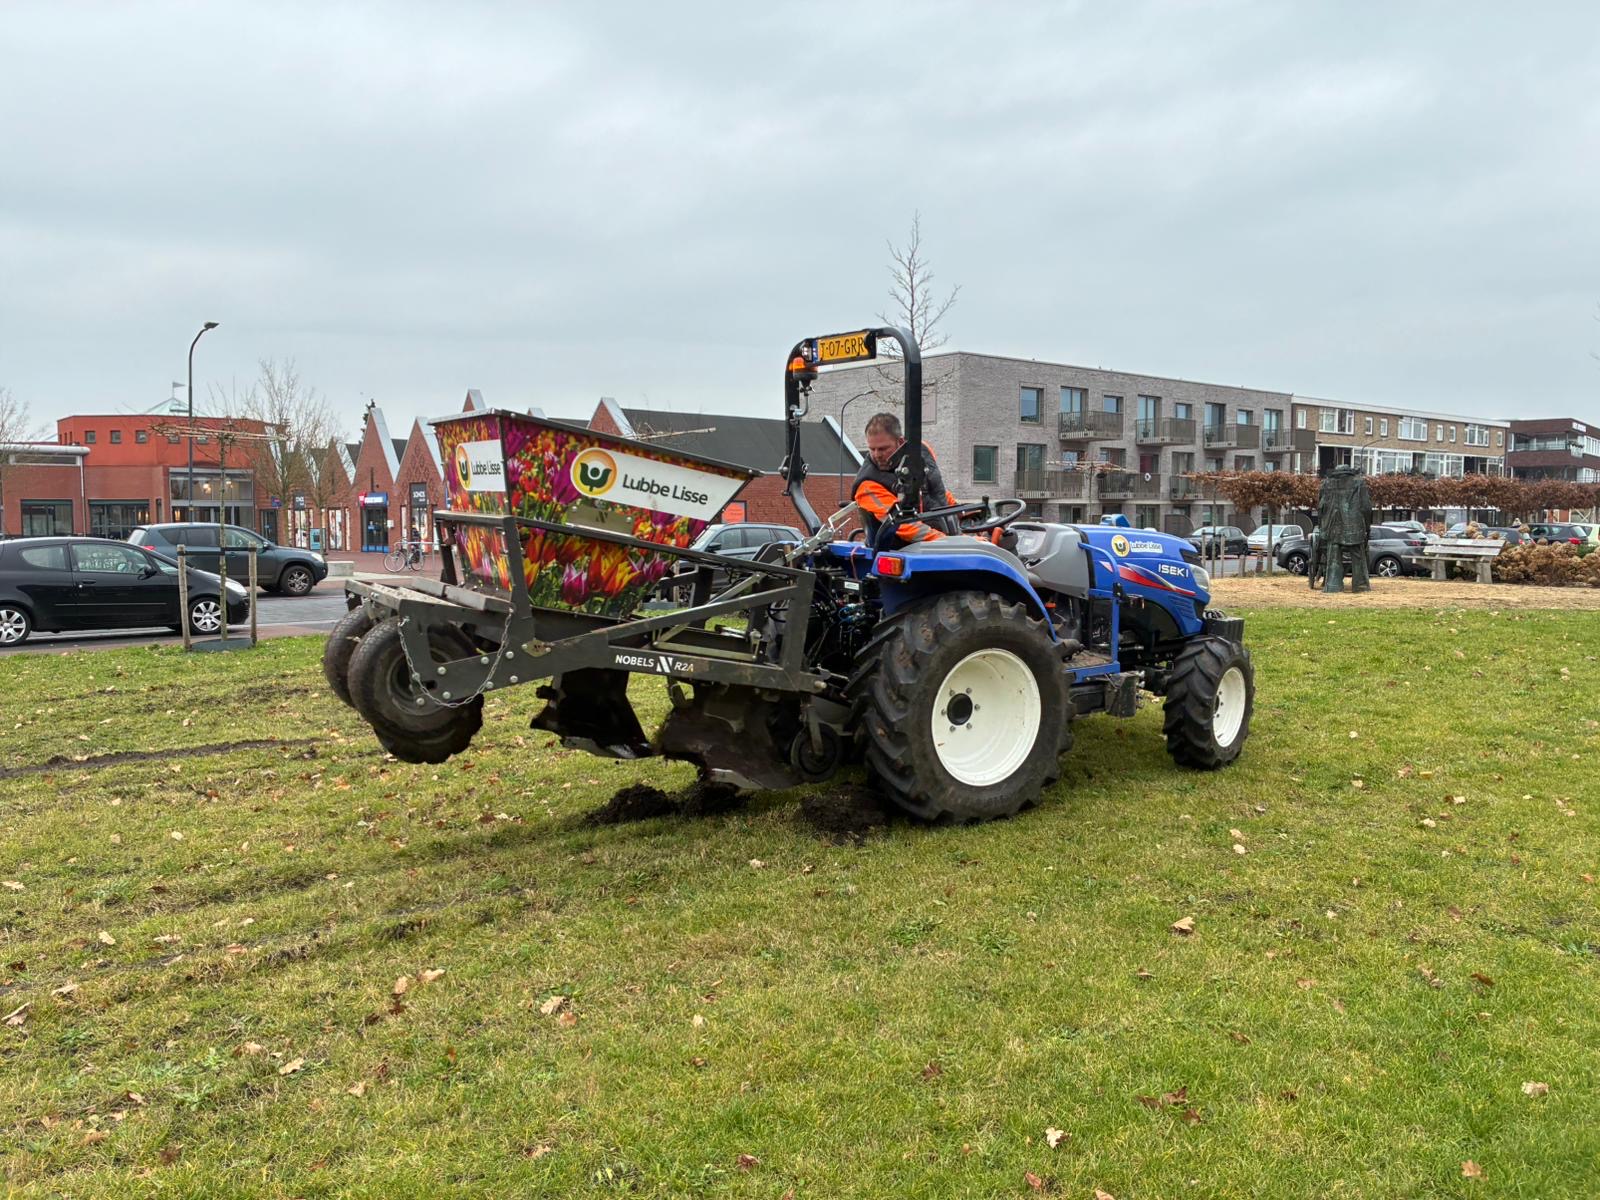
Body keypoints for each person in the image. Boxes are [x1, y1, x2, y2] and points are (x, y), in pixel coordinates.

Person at [852, 412, 958, 549]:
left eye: (883, 449)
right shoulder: (867, 485)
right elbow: (904, 525)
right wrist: (951, 543)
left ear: (900, 442)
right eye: (872, 449)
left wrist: (966, 515)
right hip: (902, 549)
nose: (877, 455)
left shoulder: (921, 451)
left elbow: (936, 490)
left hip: (941, 537)